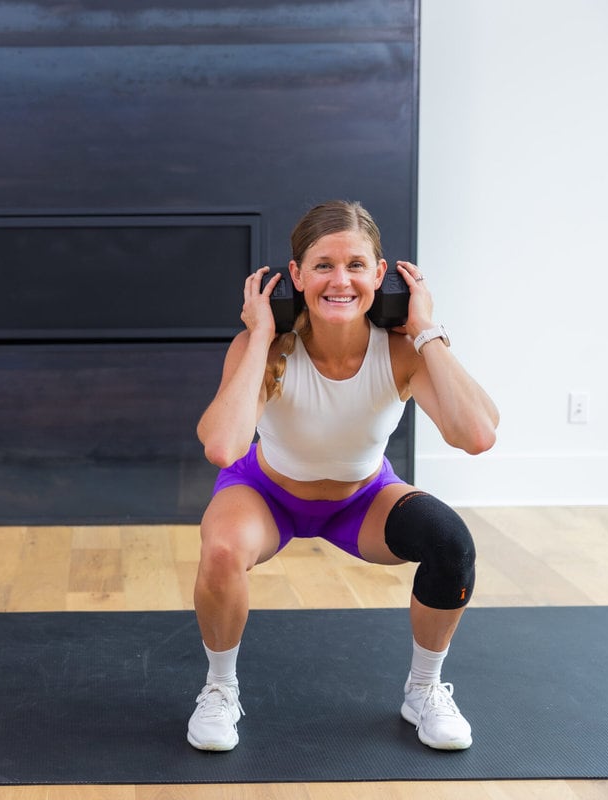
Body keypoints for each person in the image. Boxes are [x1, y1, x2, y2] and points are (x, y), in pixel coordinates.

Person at [188, 200, 498, 752]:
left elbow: (475, 435)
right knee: (220, 550)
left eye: (356, 265)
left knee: (450, 541)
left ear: (381, 275)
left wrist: (429, 330)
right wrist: (259, 336)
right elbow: (222, 445)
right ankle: (219, 688)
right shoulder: (268, 349)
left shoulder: (404, 351)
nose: (340, 280)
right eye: (324, 265)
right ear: (297, 275)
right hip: (266, 494)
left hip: (363, 501)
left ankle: (423, 690)